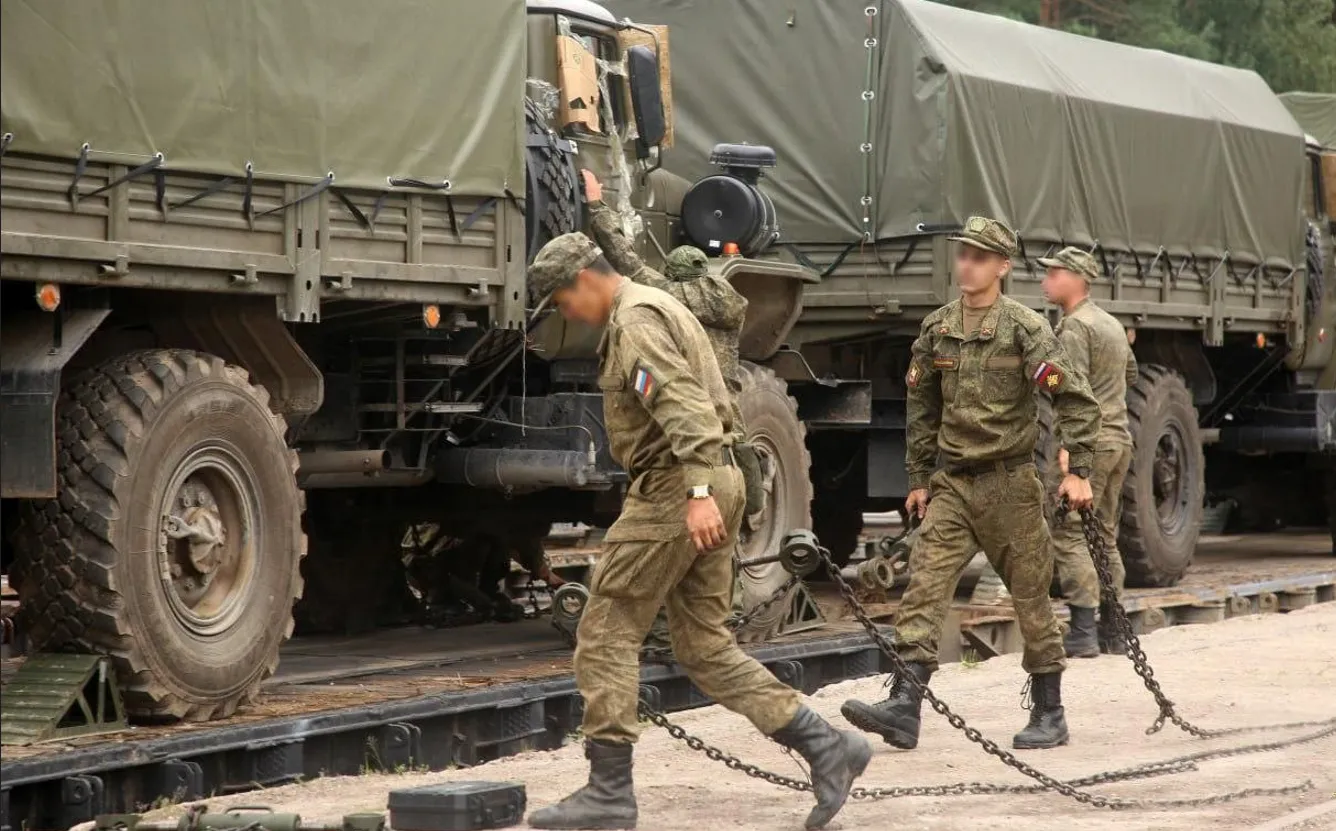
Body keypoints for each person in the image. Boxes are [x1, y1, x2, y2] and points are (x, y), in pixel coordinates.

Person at [525, 232, 870, 831]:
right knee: (704, 646)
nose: (566, 315)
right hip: (716, 478)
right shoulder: (654, 305)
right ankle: (826, 745)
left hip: (677, 487)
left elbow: (684, 405)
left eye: (560, 302)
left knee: (606, 628)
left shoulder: (634, 323)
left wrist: (698, 493)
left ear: (583, 280)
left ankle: (608, 791)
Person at [840, 216, 1101, 752]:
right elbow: (922, 406)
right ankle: (905, 704)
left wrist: (1077, 473)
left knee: (1030, 598)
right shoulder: (937, 328)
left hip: (1011, 487)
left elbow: (1074, 398)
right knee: (924, 587)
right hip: (954, 485)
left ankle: (1050, 711)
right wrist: (918, 478)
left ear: (1002, 266)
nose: (967, 264)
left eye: (980, 257)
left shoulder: (1024, 328)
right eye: (963, 255)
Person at [581, 170, 758, 655]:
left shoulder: (663, 301)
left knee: (675, 527)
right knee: (730, 527)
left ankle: (664, 630)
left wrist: (597, 208)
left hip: (686, 429)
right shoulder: (731, 301)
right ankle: (728, 615)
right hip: (733, 427)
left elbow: (626, 261)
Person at [1038, 246, 1137, 656]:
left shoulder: (1075, 328)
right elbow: (1129, 372)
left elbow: (1072, 390)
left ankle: (1081, 632)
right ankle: (1114, 630)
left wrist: (1071, 452)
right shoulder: (1110, 323)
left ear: (1078, 279)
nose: (1046, 280)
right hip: (1118, 439)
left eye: (1055, 273)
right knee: (1105, 534)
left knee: (1071, 533)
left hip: (1088, 445)